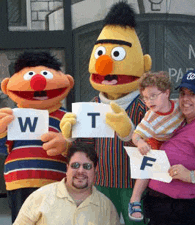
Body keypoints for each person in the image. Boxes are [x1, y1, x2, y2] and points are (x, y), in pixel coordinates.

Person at [60, 2, 151, 225]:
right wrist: (70, 134)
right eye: (100, 54)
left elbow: (154, 143)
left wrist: (128, 133)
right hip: (101, 181)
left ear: (143, 63)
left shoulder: (142, 105)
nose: (104, 64)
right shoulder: (93, 104)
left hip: (132, 183)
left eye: (116, 55)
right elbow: (86, 146)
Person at [0, 51, 74, 222]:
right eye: (31, 75)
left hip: (55, 182)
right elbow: (4, 148)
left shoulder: (66, 117)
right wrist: (2, 133)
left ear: (68, 82)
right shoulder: (11, 116)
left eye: (46, 75)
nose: (38, 82)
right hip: (19, 181)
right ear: (6, 86)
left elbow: (79, 149)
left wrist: (67, 145)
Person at [142, 69, 195, 225]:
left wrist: (191, 175)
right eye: (183, 93)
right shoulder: (189, 121)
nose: (185, 99)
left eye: (192, 94)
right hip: (169, 212)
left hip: (183, 213)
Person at [13, 142, 120, 225]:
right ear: (67, 167)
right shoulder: (41, 196)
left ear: (95, 169)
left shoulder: (106, 206)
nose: (80, 171)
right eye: (75, 165)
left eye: (87, 166)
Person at [128, 71, 184, 222]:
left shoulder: (179, 106)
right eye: (145, 97)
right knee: (146, 166)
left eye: (153, 95)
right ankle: (135, 199)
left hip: (178, 139)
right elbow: (136, 134)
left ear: (166, 93)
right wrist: (140, 143)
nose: (149, 101)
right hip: (157, 142)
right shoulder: (150, 118)